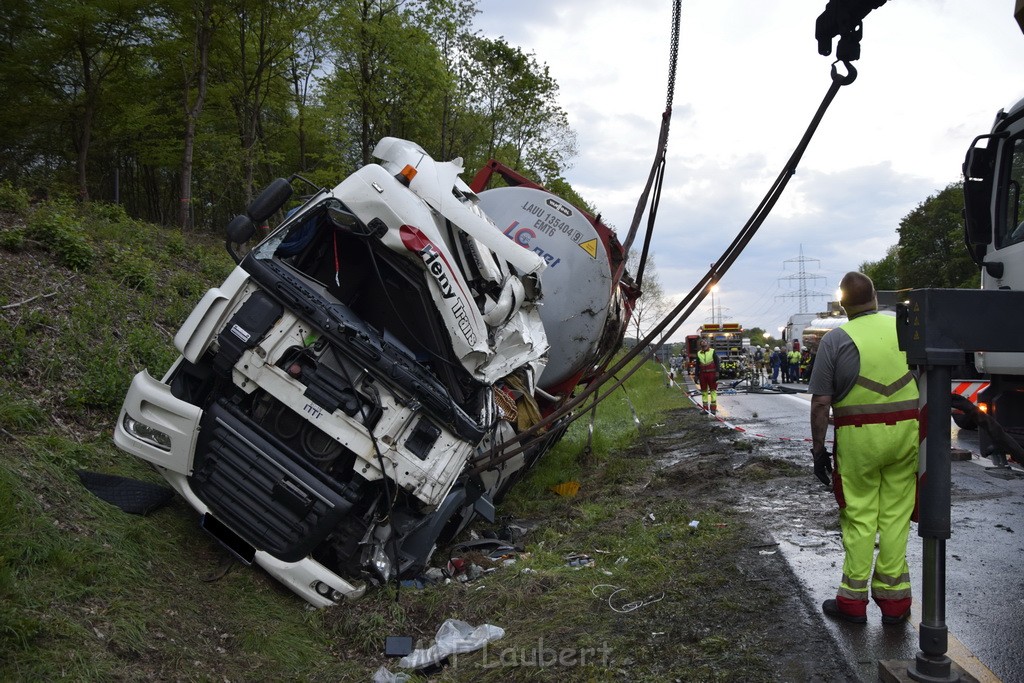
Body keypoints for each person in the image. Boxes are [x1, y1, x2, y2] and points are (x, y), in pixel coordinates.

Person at [808, 272, 919, 625]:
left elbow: (821, 403)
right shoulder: (904, 329)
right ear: (875, 296)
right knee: (896, 515)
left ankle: (852, 603)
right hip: (906, 434)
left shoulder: (836, 340)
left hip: (859, 441)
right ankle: (895, 604)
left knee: (859, 517)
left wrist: (818, 451)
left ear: (843, 304)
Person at [694, 338, 719, 414]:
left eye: (705, 341)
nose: (703, 342)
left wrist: (717, 373)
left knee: (713, 391)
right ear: (700, 344)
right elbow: (697, 366)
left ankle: (713, 409)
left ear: (708, 344)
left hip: (712, 373)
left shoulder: (712, 351)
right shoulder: (698, 353)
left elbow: (717, 362)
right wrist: (696, 375)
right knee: (704, 391)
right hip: (702, 374)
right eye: (702, 341)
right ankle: (705, 409)